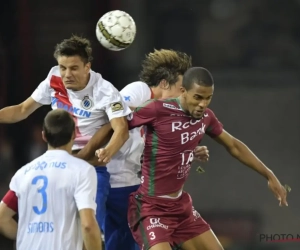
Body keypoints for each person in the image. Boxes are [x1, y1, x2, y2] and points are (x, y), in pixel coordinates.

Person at [123, 67, 288, 250]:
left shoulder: (206, 118)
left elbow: (233, 145)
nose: (203, 104)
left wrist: (269, 174)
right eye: (198, 97)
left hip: (180, 208)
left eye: (208, 98)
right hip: (151, 208)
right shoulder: (158, 109)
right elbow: (118, 120)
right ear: (184, 92)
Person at [78, 49, 209, 250]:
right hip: (109, 179)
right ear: (164, 83)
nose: (183, 95)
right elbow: (113, 117)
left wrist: (189, 150)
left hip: (130, 186)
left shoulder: (167, 116)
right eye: (181, 88)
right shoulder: (139, 90)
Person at [0, 35, 131, 230]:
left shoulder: (105, 91)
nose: (67, 74)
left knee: (90, 228)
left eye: (74, 68)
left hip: (90, 167)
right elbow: (21, 110)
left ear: (88, 67)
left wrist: (108, 151)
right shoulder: (53, 80)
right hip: (58, 163)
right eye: (63, 67)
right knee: (60, 228)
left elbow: (121, 130)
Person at [0, 109, 102, 250]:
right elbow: (88, 225)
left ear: (44, 136)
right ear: (74, 134)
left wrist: (27, 237)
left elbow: (2, 217)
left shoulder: (23, 173)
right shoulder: (82, 170)